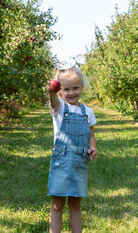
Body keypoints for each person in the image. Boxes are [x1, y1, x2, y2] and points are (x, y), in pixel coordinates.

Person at [46, 65, 97, 233]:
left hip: (80, 162)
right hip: (62, 161)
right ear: (61, 91)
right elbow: (53, 101)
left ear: (81, 87)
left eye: (75, 88)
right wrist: (52, 93)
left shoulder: (87, 112)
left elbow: (91, 134)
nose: (71, 93)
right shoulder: (59, 108)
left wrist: (92, 148)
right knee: (57, 204)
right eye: (66, 89)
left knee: (75, 204)